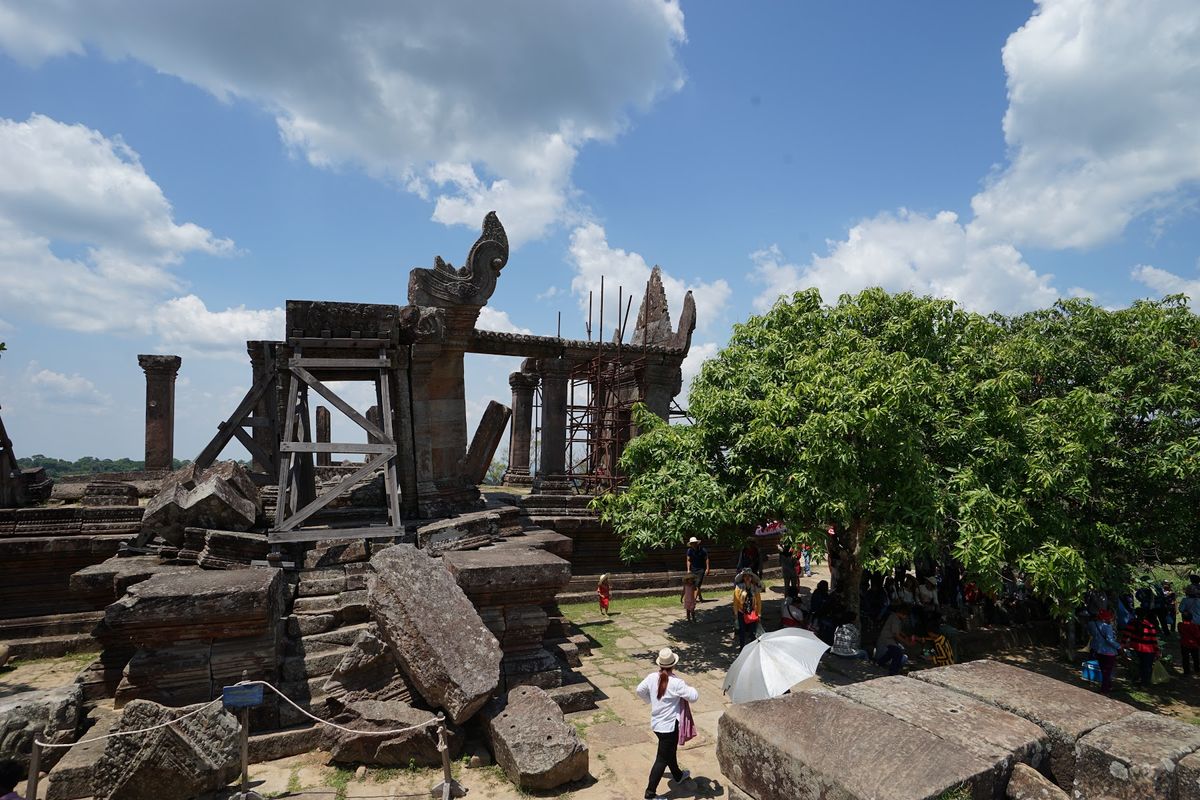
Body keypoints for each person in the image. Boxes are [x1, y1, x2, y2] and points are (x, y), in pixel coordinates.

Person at [636, 648, 697, 800]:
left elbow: (639, 690)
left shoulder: (651, 677)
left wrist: (650, 700)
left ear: (659, 664)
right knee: (661, 760)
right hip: (669, 728)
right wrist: (689, 687)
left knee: (669, 751)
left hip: (657, 725)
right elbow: (694, 696)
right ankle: (650, 794)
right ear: (673, 665)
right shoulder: (677, 683)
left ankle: (677, 775)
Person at [1087, 608, 1121, 694]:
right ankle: (1104, 690)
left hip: (1098, 649)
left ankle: (1109, 686)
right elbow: (1110, 640)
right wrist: (1119, 646)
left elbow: (1090, 633)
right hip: (1108, 651)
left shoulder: (1091, 624)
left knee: (1103, 670)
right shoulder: (1107, 627)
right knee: (1107, 672)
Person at [1127, 605, 1160, 687]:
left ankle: (1137, 679)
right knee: (1147, 666)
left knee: (1138, 665)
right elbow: (1154, 640)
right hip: (1148, 649)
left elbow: (1126, 635)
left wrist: (1124, 644)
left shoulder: (1132, 623)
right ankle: (1144, 682)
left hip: (1136, 647)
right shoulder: (1150, 625)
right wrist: (1157, 651)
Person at [875, 604, 913, 675]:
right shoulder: (895, 619)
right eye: (905, 615)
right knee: (898, 652)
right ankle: (893, 671)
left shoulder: (895, 618)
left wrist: (904, 635)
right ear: (902, 613)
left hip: (889, 639)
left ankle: (880, 662)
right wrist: (906, 642)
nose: (905, 617)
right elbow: (896, 634)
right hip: (887, 639)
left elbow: (897, 631)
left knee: (892, 652)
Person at [732, 569, 763, 649]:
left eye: (749, 576)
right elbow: (735, 601)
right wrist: (735, 614)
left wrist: (759, 613)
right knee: (742, 631)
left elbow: (758, 601)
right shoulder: (738, 587)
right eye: (745, 576)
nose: (747, 577)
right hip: (741, 612)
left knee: (753, 632)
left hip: (753, 612)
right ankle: (742, 648)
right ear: (743, 577)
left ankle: (753, 649)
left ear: (752, 577)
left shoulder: (755, 587)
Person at [685, 537, 710, 602]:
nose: (694, 544)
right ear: (690, 544)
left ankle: (693, 600)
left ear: (697, 543)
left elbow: (707, 559)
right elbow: (688, 560)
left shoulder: (703, 550)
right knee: (694, 584)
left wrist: (707, 569)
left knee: (697, 584)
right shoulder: (689, 551)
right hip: (693, 569)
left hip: (701, 569)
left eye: (695, 543)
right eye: (692, 543)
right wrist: (688, 569)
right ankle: (700, 598)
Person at [1179, 611, 1200, 676]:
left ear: (1182, 618)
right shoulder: (1194, 626)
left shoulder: (1180, 625)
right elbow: (1197, 636)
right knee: (1195, 658)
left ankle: (1186, 671)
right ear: (1191, 618)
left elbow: (1180, 632)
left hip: (1184, 644)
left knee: (1185, 658)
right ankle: (1197, 669)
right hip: (1193, 644)